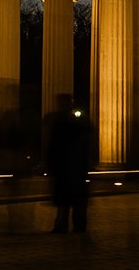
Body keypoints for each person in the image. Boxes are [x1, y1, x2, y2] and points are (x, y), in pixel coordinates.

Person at [44, 94, 93, 233]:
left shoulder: (63, 121)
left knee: (67, 199)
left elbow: (54, 144)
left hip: (68, 166)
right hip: (71, 166)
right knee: (72, 198)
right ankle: (74, 225)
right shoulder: (75, 121)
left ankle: (65, 225)